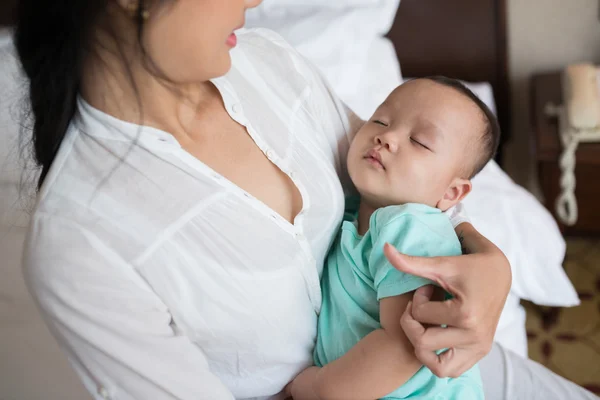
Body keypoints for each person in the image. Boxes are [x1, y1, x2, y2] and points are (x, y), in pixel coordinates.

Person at [14, 1, 512, 399]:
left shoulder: (270, 63)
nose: (256, 0)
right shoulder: (79, 240)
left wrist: (489, 263)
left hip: (458, 374)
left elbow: (410, 184)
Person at [287, 77, 498, 400]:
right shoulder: (356, 212)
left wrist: (318, 387)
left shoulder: (409, 226)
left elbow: (404, 344)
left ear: (451, 192)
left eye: (421, 141)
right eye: (380, 120)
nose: (386, 137)